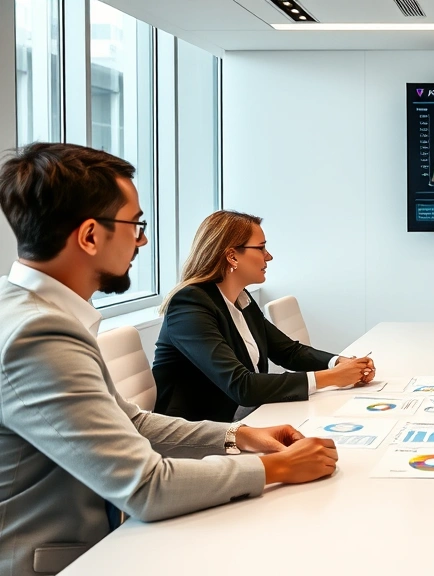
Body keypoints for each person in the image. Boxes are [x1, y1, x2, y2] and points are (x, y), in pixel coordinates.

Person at [0, 143, 338, 576]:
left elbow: (132, 421)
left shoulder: (40, 315)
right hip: (65, 561)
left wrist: (238, 436)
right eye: (135, 225)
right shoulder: (38, 334)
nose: (142, 240)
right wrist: (277, 467)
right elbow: (146, 487)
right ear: (89, 236)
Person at [152, 210, 373, 422]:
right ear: (231, 256)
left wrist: (338, 362)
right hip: (199, 432)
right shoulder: (189, 304)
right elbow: (242, 386)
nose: (269, 256)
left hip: (243, 417)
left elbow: (288, 352)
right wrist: (331, 378)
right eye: (261, 248)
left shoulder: (240, 297)